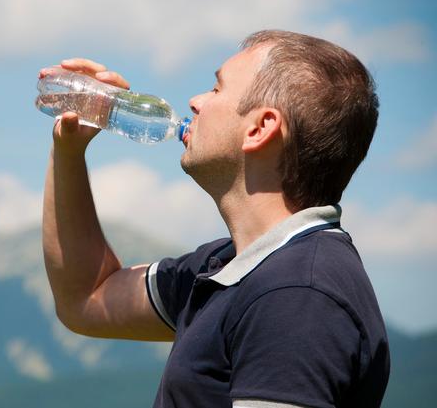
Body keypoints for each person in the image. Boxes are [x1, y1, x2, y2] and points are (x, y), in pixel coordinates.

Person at [40, 30, 390, 408]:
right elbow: (87, 298)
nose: (194, 101)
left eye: (216, 89)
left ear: (260, 128)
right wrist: (69, 149)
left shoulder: (297, 296)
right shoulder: (230, 266)